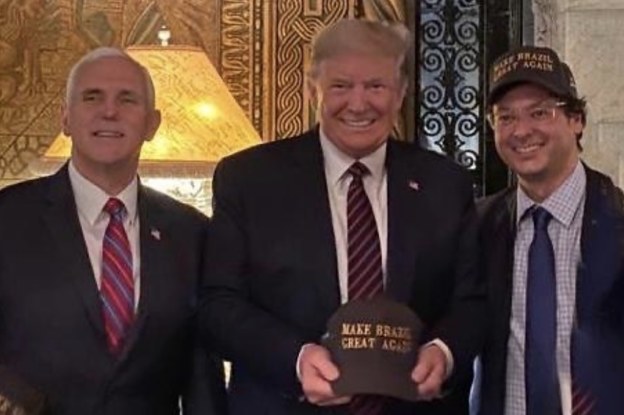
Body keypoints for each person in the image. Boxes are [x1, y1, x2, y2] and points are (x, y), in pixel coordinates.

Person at [201, 18, 485, 415]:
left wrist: (444, 351)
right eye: (340, 86)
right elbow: (218, 304)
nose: (358, 103)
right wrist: (296, 359)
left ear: (401, 93)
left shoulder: (446, 184)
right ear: (312, 89)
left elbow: (472, 301)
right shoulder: (248, 179)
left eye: (376, 86)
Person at [0, 47, 227, 415]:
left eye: (127, 99)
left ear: (152, 124)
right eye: (92, 97)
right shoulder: (8, 218)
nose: (109, 111)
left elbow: (202, 378)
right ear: (65, 118)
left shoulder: (192, 233)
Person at [475, 45, 624, 415]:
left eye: (539, 112)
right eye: (506, 117)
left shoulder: (619, 223)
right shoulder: (477, 227)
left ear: (577, 120)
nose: (521, 130)